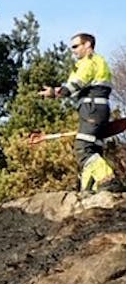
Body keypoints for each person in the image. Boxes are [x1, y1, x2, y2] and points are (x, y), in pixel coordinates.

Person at [38, 32, 119, 192]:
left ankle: (107, 179)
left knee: (83, 148)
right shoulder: (99, 62)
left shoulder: (88, 62)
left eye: (76, 46)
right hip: (97, 110)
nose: (73, 50)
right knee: (94, 148)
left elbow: (75, 85)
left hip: (92, 109)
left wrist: (54, 92)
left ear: (87, 45)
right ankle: (89, 188)